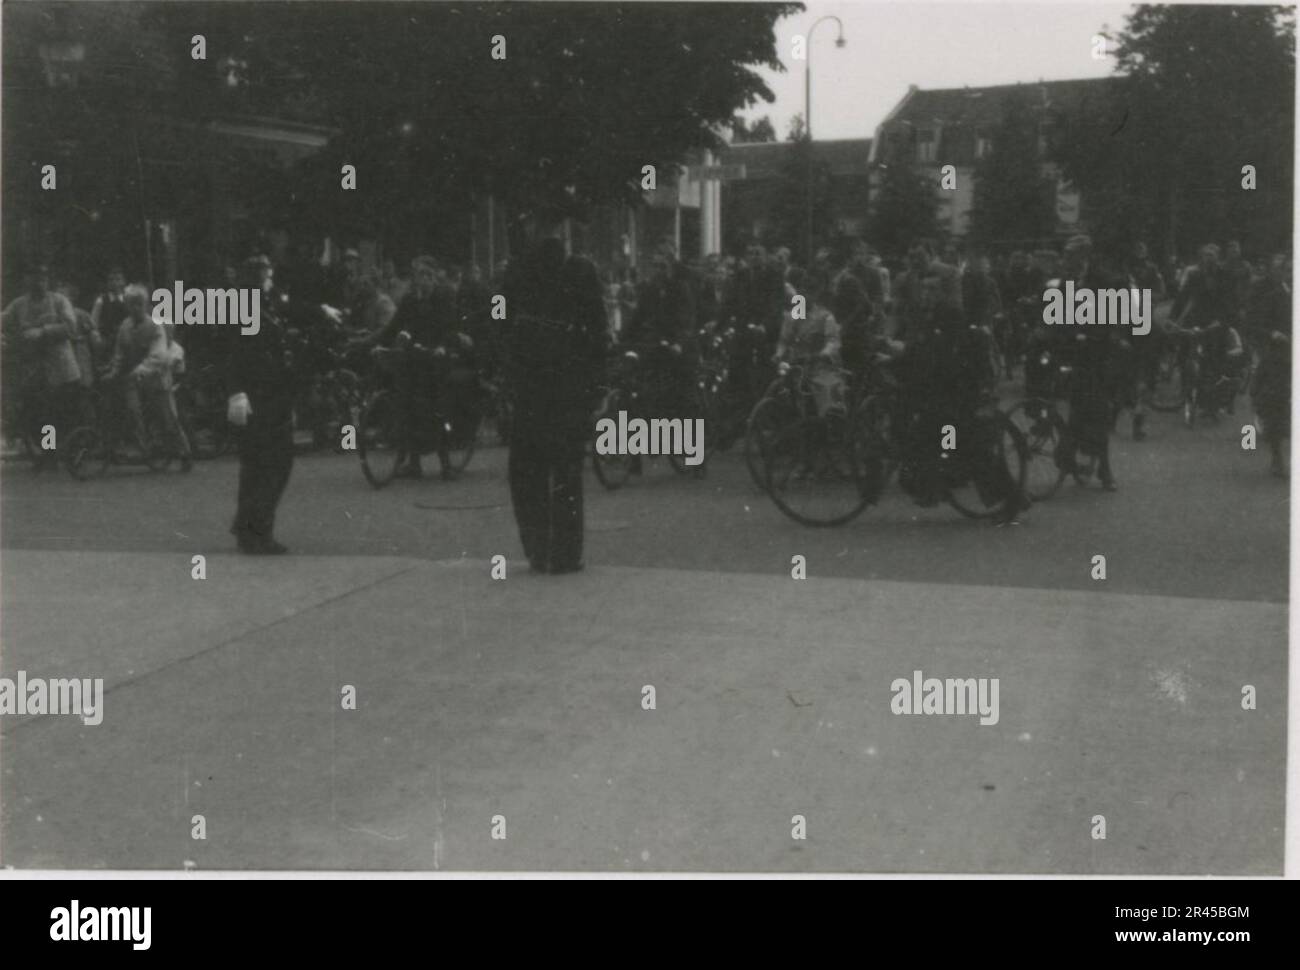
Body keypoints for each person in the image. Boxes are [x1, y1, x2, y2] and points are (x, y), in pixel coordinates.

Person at [503, 222, 608, 574]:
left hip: (531, 385)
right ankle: (564, 553)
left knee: (527, 470)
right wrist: (596, 386)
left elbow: (497, 325)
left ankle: (537, 547)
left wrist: (505, 374)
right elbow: (599, 331)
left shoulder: (516, 271)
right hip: (568, 386)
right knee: (565, 472)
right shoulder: (581, 271)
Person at [358, 255, 472, 479]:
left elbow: (451, 326)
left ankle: (446, 463)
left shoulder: (443, 297)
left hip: (439, 354)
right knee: (406, 400)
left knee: (436, 402)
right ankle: (413, 461)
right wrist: (368, 343)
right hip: (416, 354)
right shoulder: (410, 300)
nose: (421, 280)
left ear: (432, 277)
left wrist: (441, 346)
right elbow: (393, 328)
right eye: (418, 275)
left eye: (425, 275)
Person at [224, 256, 294, 553]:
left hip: (260, 394)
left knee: (254, 465)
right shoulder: (250, 308)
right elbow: (243, 354)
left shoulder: (254, 304)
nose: (271, 278)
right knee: (274, 463)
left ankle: (246, 527)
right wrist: (238, 391)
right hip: (263, 396)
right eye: (267, 273)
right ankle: (258, 531)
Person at [1, 263, 83, 469]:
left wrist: (43, 331)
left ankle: (74, 451)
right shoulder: (19, 305)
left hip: (62, 368)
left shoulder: (59, 301)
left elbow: (71, 327)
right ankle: (49, 452)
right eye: (34, 277)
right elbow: (3, 319)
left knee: (63, 413)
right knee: (40, 414)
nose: (38, 282)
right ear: (27, 281)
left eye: (42, 278)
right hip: (36, 371)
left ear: (48, 281)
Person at [1054, 235, 1120, 490]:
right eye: (1067, 255)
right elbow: (1056, 312)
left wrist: (1104, 334)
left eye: (1072, 255)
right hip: (1074, 351)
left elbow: (1112, 314)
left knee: (1098, 411)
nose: (1068, 260)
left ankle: (1105, 470)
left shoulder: (1101, 280)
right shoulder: (1065, 282)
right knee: (1073, 405)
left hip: (1097, 352)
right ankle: (1068, 453)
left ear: (1085, 256)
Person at [106, 284, 192, 470]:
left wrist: (140, 370)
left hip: (156, 378)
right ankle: (142, 446)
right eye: (131, 304)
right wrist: (114, 371)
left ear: (145, 305)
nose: (135, 308)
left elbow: (158, 355)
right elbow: (120, 352)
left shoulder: (155, 326)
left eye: (139, 304)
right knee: (132, 410)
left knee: (168, 416)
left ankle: (185, 452)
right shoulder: (125, 326)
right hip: (133, 379)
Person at [1248, 253, 1291, 477]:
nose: (1288, 274)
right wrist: (1273, 333)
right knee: (1275, 404)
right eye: (1283, 270)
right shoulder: (1274, 296)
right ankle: (1277, 457)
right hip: (1279, 357)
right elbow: (1256, 324)